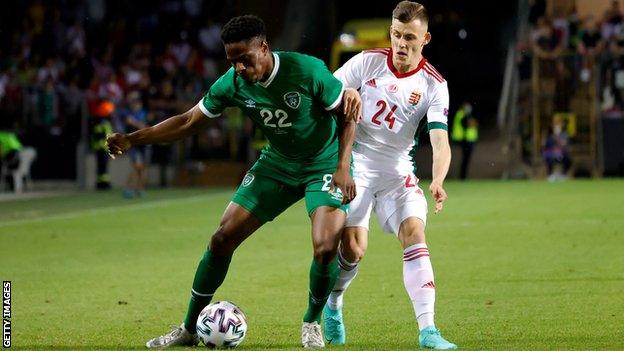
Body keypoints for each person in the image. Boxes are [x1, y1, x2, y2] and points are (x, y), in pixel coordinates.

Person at [106, 15, 362, 349]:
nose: (239, 68)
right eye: (232, 61)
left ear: (264, 48)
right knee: (222, 238)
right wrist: (133, 139)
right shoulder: (233, 83)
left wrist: (343, 166)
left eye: (245, 59)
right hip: (278, 164)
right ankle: (188, 329)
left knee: (326, 247)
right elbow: (187, 121)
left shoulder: (306, 70)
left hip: (325, 164)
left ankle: (311, 322)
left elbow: (347, 114)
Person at [322, 2, 457, 349]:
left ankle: (428, 330)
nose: (401, 44)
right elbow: (325, 95)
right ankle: (334, 304)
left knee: (414, 232)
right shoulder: (366, 62)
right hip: (357, 166)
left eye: (409, 37)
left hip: (398, 171)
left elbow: (440, 142)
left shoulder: (434, 84)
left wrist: (438, 179)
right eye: (396, 35)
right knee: (353, 248)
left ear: (425, 38)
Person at [122, 91, 150, 198]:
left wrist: (136, 123)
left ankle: (138, 189)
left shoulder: (142, 113)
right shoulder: (130, 113)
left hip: (141, 143)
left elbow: (143, 126)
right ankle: (129, 188)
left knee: (141, 168)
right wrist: (139, 124)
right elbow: (133, 123)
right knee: (137, 167)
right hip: (133, 144)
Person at [451, 101, 478, 180]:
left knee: (466, 159)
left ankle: (463, 176)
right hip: (465, 140)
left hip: (468, 140)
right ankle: (462, 176)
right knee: (465, 159)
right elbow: (467, 124)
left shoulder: (464, 115)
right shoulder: (462, 115)